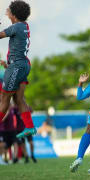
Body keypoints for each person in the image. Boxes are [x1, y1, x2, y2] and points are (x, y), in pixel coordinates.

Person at [0, 0, 36, 138]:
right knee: (18, 99)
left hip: (17, 66)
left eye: (8, 11)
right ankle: (30, 127)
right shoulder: (24, 25)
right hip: (22, 65)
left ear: (14, 14)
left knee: (4, 99)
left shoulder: (17, 26)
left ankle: (29, 126)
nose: (6, 13)